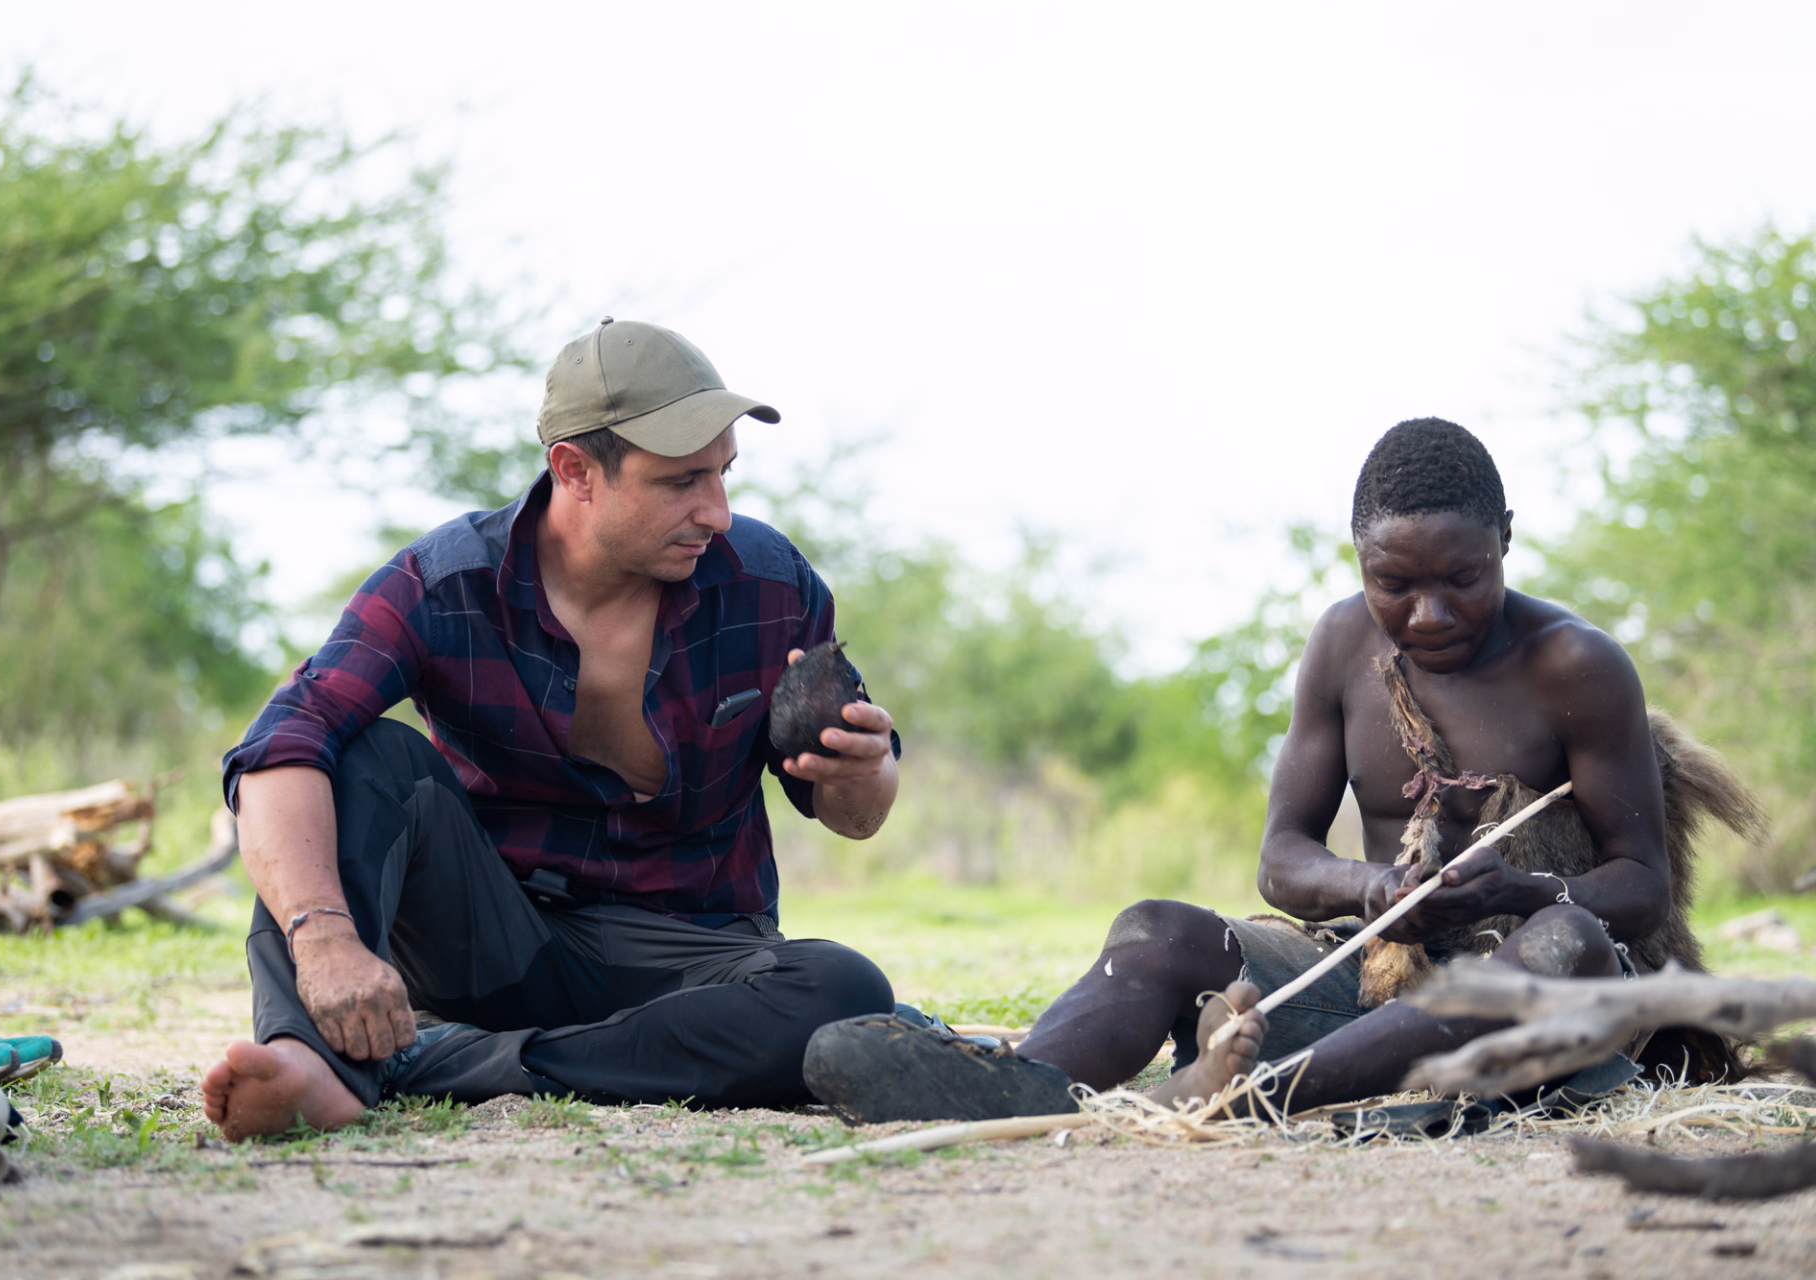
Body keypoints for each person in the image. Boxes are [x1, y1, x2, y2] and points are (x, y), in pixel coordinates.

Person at [804, 418, 1746, 1124]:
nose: (1426, 613)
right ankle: (1017, 1089)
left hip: (1537, 1006)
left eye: (1460, 577)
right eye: (1394, 582)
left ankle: (1247, 1096)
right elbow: (1283, 860)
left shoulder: (1576, 666)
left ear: (1505, 536)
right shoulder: (1342, 645)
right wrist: (1377, 888)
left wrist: (1525, 889)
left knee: (1569, 940)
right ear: (1359, 560)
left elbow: (1640, 887)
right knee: (1160, 930)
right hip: (1376, 983)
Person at [202, 318, 901, 1140]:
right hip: (498, 939)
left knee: (843, 989)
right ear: (575, 470)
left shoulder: (770, 581)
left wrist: (860, 770)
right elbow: (281, 745)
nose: (716, 511)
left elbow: (855, 818)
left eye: (724, 473)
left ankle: (424, 1064)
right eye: (681, 482)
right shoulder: (442, 582)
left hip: (692, 958)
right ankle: (307, 1054)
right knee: (359, 750)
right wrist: (325, 941)